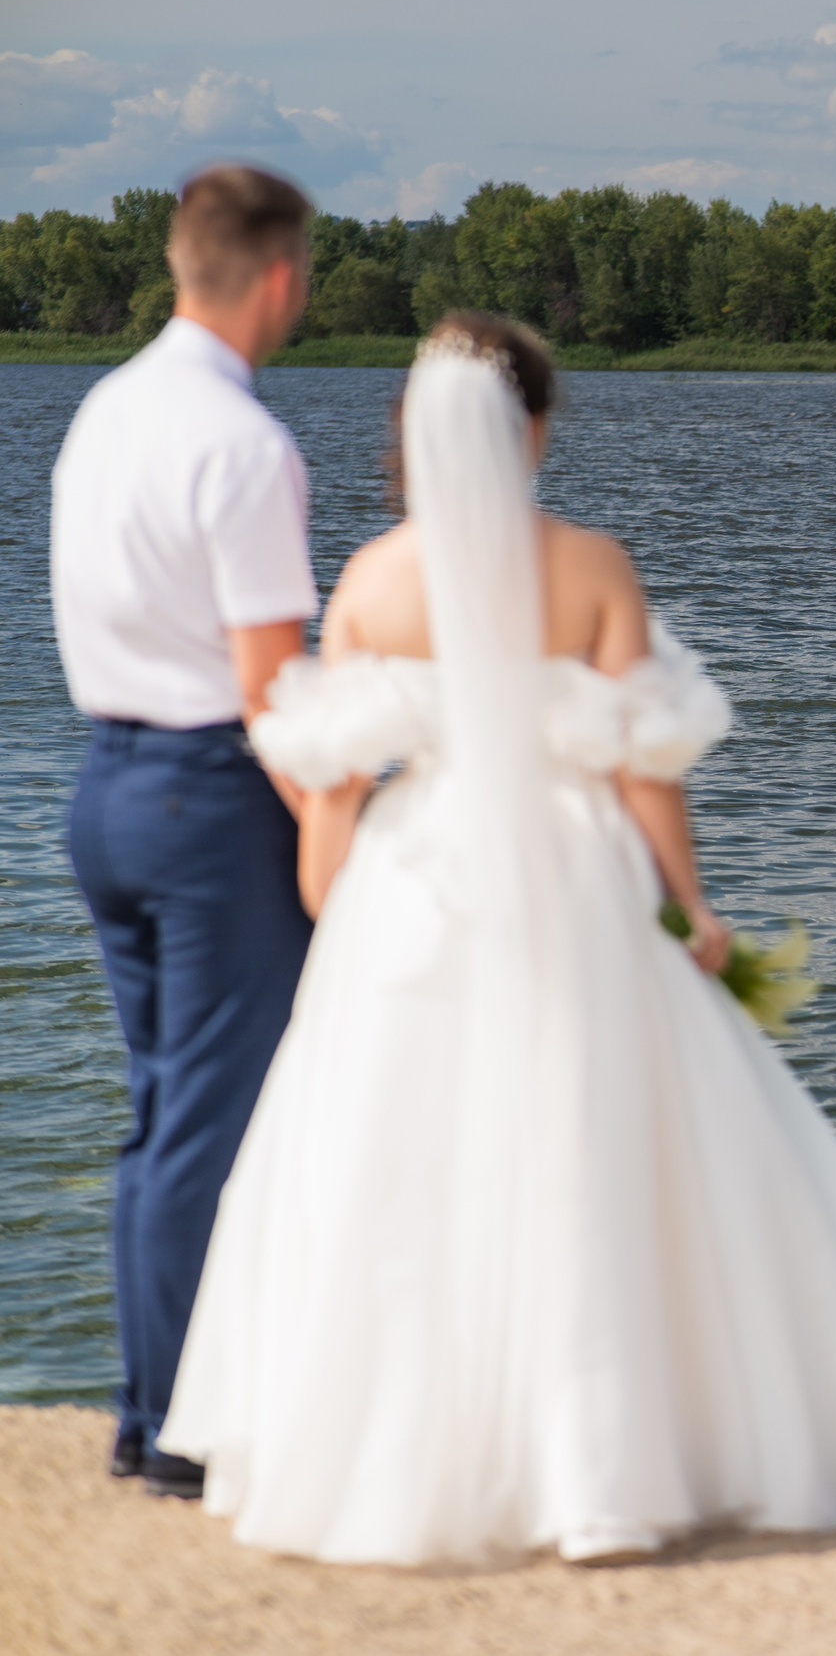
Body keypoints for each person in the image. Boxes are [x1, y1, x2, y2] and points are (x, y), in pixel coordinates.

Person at [157, 314, 836, 1565]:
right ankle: (598, 1470)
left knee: (399, 1160)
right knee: (580, 1149)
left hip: (416, 880)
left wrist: (339, 916)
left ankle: (388, 1470)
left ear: (411, 438)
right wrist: (690, 909)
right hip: (570, 875)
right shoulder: (593, 568)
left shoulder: (374, 581)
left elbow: (332, 790)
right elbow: (644, 770)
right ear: (536, 430)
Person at [50, 162, 318, 1501]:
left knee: (165, 1108)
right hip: (209, 794)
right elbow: (276, 687)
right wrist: (345, 816)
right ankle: (172, 1426)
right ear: (278, 276)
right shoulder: (245, 443)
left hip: (102, 783)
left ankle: (143, 1402)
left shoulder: (102, 410)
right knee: (208, 1121)